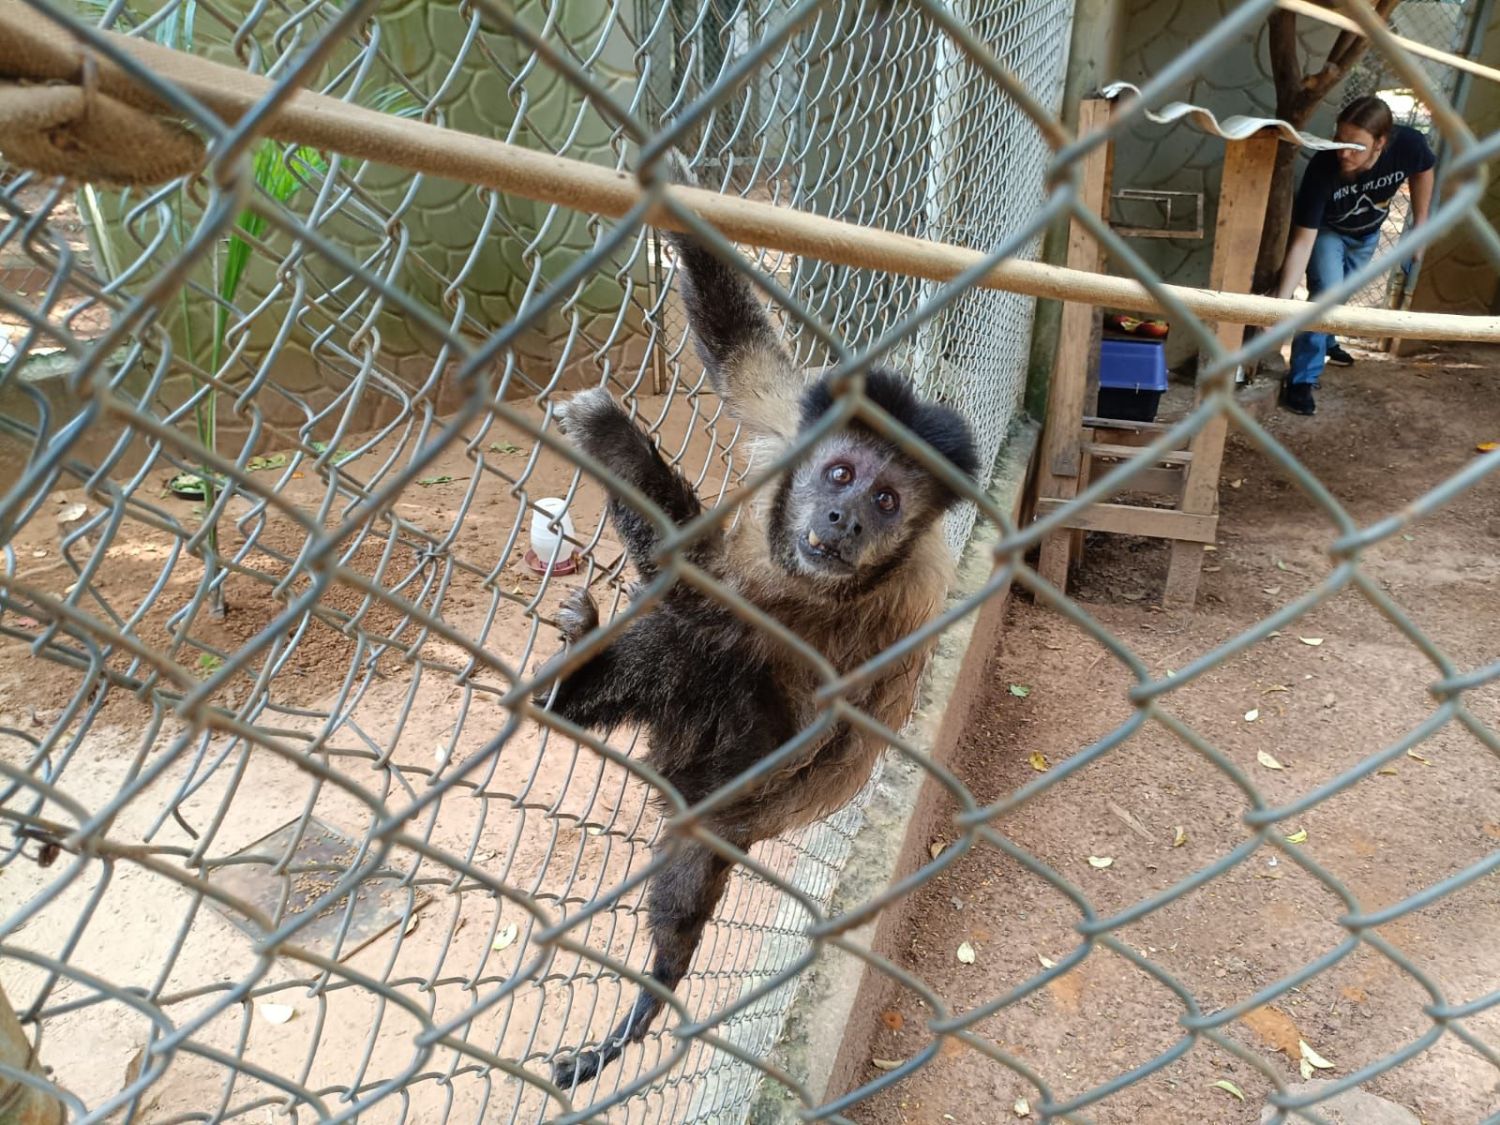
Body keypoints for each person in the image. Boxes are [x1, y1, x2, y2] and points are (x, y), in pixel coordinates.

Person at [1273, 95, 1435, 415]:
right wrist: (1277, 306)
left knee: (1342, 293)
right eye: (1340, 140)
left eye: (1356, 146)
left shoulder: (1408, 144)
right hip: (1328, 232)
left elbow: (1424, 170)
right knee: (1327, 294)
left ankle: (1327, 340)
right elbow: (1303, 243)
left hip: (1368, 232)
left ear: (1380, 143)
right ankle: (1302, 379)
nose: (1344, 153)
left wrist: (1421, 228)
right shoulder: (1323, 167)